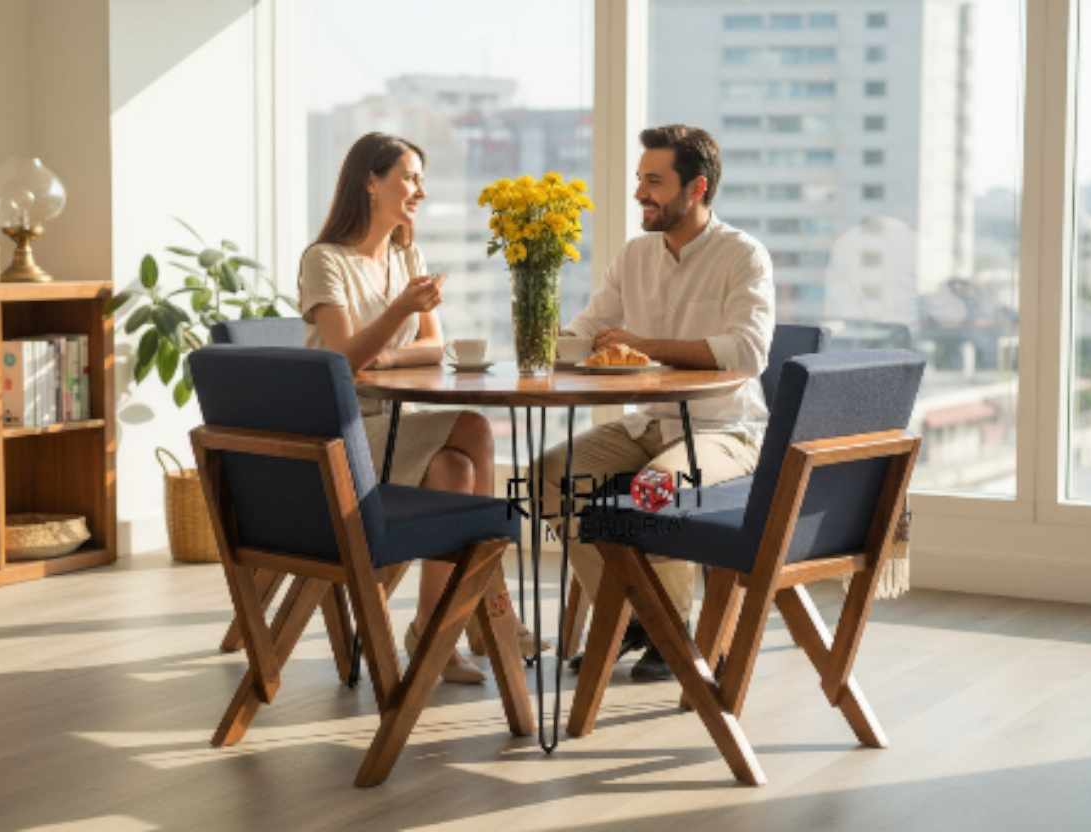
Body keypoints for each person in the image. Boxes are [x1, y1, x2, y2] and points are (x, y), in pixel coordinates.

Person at [299, 132, 547, 684]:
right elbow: (341, 358)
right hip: (344, 430)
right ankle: (487, 605)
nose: (420, 190)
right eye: (410, 177)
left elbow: (437, 345)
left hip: (397, 421)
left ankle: (435, 628)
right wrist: (397, 315)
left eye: (421, 178)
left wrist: (386, 355)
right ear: (370, 180)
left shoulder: (407, 252)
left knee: (454, 469)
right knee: (475, 429)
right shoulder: (325, 261)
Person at [540, 125, 775, 681]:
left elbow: (747, 352)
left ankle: (676, 631)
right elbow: (587, 332)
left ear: (696, 188)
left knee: (653, 488)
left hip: (725, 432)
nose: (640, 193)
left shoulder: (742, 255)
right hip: (647, 423)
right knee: (551, 475)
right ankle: (633, 622)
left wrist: (641, 346)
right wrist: (546, 332)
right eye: (640, 180)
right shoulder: (634, 256)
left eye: (654, 181)